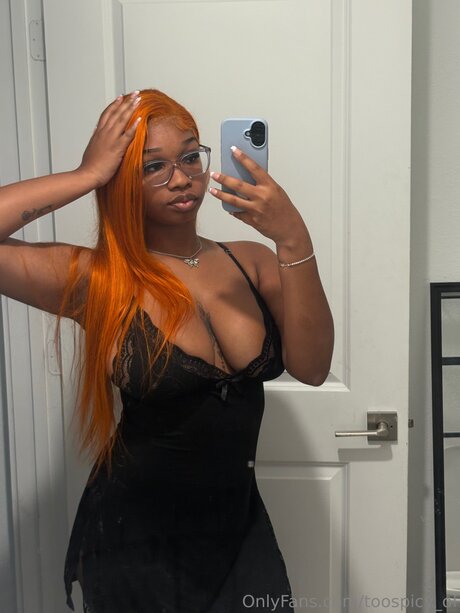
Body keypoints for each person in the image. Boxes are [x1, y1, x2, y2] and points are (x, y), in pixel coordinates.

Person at [0, 89, 334, 612]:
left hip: (239, 533)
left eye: (190, 157)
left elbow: (313, 369)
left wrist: (294, 238)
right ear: (121, 179)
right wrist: (88, 175)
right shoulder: (98, 279)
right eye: (152, 166)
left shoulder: (251, 261)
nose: (181, 178)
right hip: (135, 543)